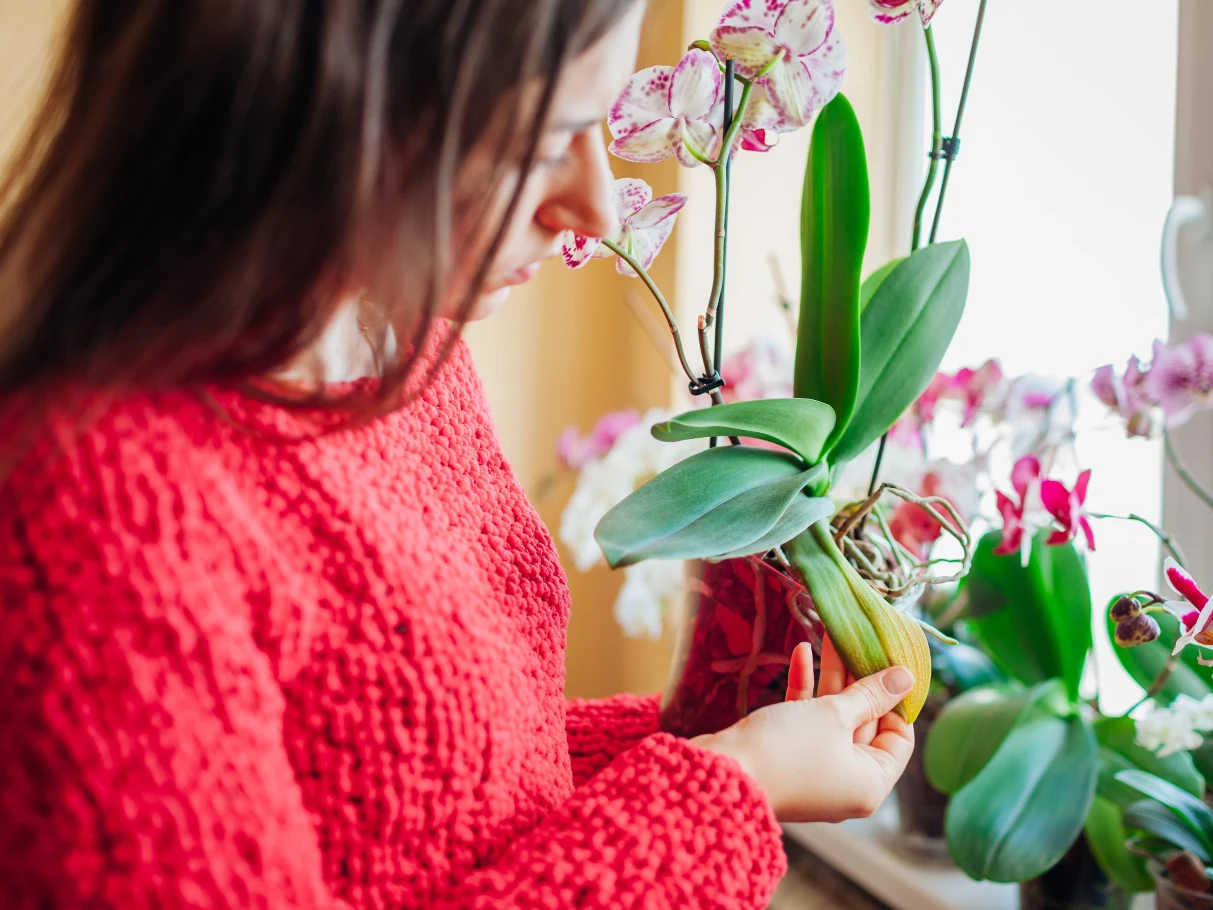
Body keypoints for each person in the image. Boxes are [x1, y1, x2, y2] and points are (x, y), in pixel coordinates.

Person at [0, 2, 917, 907]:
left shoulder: (406, 353)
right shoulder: (88, 516)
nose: (596, 206)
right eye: (540, 143)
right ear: (331, 111)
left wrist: (719, 742)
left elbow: (442, 787)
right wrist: (733, 790)